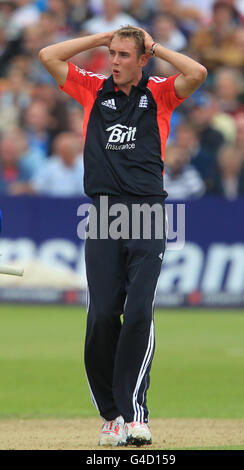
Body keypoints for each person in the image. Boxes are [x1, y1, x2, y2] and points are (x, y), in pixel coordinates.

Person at [39, 25, 207, 447]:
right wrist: (97, 40)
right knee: (100, 317)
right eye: (112, 54)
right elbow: (48, 56)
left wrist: (158, 47)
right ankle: (110, 414)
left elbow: (199, 72)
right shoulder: (93, 89)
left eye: (124, 55)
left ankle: (135, 414)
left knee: (137, 314)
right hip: (103, 214)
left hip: (149, 213)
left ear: (142, 59)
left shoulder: (161, 93)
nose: (115, 61)